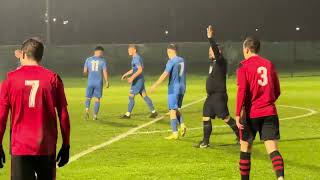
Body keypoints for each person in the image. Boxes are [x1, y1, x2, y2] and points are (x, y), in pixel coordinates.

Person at [0, 38, 71, 180]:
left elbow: (1, 115)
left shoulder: (11, 79)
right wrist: (66, 144)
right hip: (46, 146)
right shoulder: (53, 79)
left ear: (24, 54)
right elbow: (63, 114)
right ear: (40, 56)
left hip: (20, 146)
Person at [236, 36, 283, 180]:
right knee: (272, 148)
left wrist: (237, 114)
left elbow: (242, 91)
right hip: (269, 112)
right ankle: (280, 178)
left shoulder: (244, 66)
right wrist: (268, 102)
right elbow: (277, 90)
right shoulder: (268, 64)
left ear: (247, 49)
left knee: (245, 148)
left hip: (251, 114)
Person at [196, 25, 239, 148]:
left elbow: (215, 50)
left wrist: (210, 38)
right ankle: (205, 142)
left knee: (225, 118)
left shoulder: (221, 61)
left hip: (219, 96)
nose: (209, 52)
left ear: (218, 52)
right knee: (205, 116)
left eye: (211, 51)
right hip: (211, 97)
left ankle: (241, 136)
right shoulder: (214, 63)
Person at [150, 44, 187, 140]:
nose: (167, 54)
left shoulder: (171, 61)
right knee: (176, 108)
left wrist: (155, 85)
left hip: (173, 88)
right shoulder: (182, 59)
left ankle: (174, 133)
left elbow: (165, 74)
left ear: (170, 51)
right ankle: (182, 125)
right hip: (182, 87)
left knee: (172, 111)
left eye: (168, 52)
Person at [121, 44, 157, 119]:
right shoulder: (136, 57)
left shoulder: (136, 58)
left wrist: (132, 78)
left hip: (137, 80)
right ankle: (153, 112)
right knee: (144, 96)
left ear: (134, 50)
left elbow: (140, 70)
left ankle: (128, 114)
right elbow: (135, 69)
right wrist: (126, 74)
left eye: (129, 50)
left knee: (131, 96)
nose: (128, 51)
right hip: (140, 79)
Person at [84, 46, 109, 120]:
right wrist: (107, 81)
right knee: (97, 99)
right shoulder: (103, 61)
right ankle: (95, 116)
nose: (101, 54)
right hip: (98, 82)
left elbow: (85, 71)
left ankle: (87, 110)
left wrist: (86, 75)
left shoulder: (88, 59)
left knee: (88, 97)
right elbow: (105, 71)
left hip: (90, 82)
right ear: (99, 52)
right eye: (101, 53)